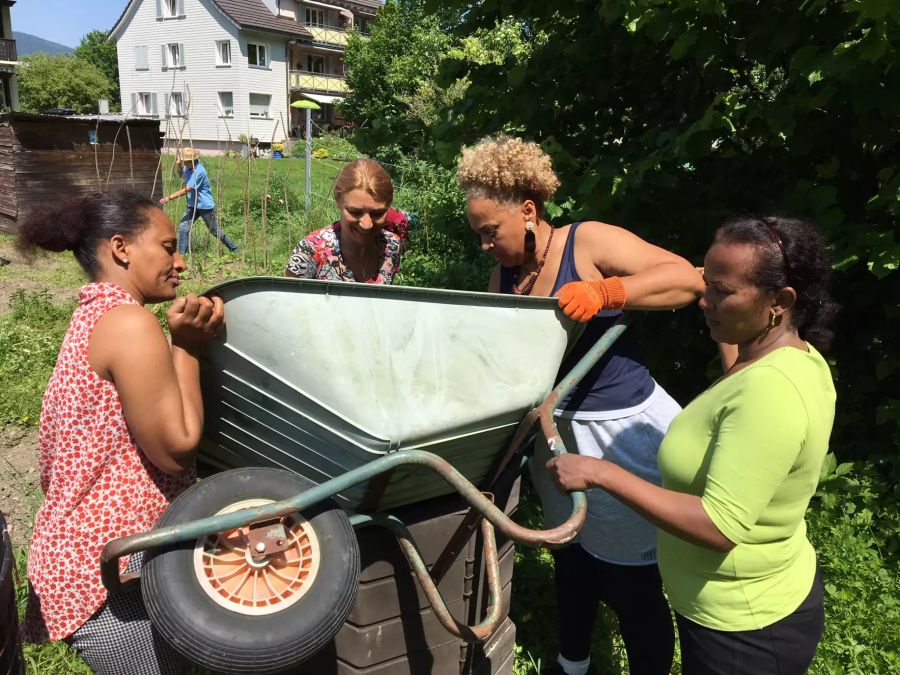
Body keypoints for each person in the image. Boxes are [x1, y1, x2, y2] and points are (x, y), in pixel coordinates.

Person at [546, 216, 837, 675]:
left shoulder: (770, 392)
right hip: (736, 605)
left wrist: (601, 472)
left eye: (723, 292)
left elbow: (718, 527)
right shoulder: (786, 357)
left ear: (779, 302)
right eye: (707, 282)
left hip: (744, 630)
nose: (704, 299)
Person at [458, 136, 704, 675]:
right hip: (557, 435)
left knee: (632, 580)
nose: (485, 246)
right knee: (574, 555)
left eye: (490, 232)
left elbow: (686, 280)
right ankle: (572, 665)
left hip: (621, 433)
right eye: (478, 235)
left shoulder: (585, 242)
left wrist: (607, 293)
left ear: (527, 211)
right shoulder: (503, 278)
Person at [18, 191, 225, 674]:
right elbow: (176, 450)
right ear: (121, 248)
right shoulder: (129, 322)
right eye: (169, 247)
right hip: (106, 573)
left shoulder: (95, 316)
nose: (181, 262)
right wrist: (188, 346)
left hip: (90, 558)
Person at [285, 158, 409, 284]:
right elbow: (288, 300)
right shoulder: (311, 251)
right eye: (355, 212)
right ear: (338, 201)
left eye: (377, 214)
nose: (366, 224)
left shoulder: (391, 247)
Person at [160, 148, 240, 255]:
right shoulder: (187, 167)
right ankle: (181, 255)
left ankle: (235, 249)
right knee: (183, 227)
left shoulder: (199, 171)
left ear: (192, 161)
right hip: (192, 205)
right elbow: (182, 176)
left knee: (214, 230)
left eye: (185, 162)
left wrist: (168, 198)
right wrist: (178, 165)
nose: (184, 163)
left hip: (205, 206)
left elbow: (188, 189)